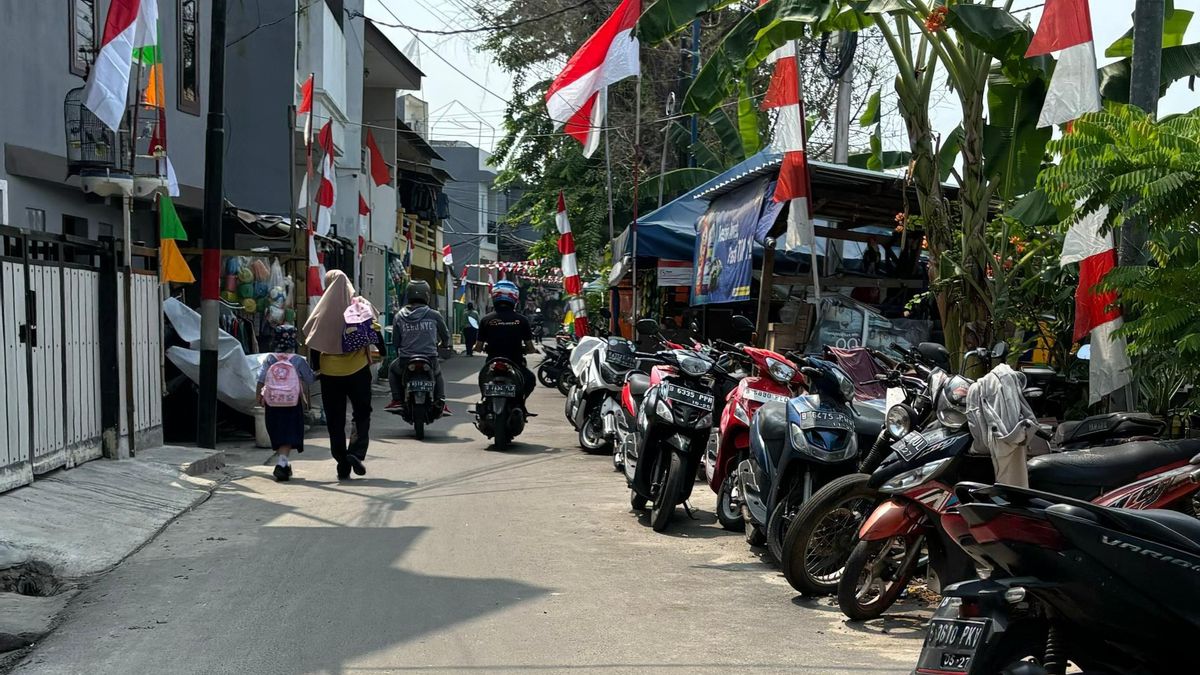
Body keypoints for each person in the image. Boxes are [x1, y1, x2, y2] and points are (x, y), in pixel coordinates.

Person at [302, 270, 377, 480]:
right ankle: (356, 452)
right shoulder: (359, 304)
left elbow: (311, 338)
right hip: (358, 369)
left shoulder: (322, 310)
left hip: (330, 373)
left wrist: (317, 367)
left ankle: (342, 462)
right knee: (362, 413)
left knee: (335, 420)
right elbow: (374, 326)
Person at [386, 280, 450, 413]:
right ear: (427, 295)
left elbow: (395, 341)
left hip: (405, 359)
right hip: (430, 358)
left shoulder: (399, 316)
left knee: (392, 369)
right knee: (437, 373)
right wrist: (444, 344)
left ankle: (397, 399)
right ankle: (441, 401)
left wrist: (399, 349)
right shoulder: (434, 315)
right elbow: (445, 335)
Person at [256, 339, 315, 482]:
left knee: (277, 430)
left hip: (272, 402)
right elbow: (310, 379)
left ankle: (283, 463)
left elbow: (261, 379)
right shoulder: (298, 360)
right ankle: (282, 464)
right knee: (289, 431)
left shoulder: (269, 359)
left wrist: (258, 396)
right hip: (292, 402)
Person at [474, 280, 537, 405]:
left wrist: (477, 348)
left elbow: (478, 347)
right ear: (514, 298)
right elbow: (530, 347)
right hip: (516, 362)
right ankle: (520, 403)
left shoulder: (486, 320)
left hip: (492, 363)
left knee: (483, 379)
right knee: (530, 379)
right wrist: (527, 350)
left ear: (494, 297)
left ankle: (485, 403)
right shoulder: (522, 320)